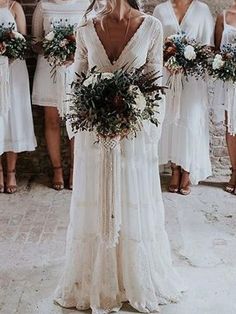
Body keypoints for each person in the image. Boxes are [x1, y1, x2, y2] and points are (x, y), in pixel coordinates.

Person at [54, 0, 185, 312]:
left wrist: (130, 120)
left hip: (133, 135)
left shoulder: (151, 27)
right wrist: (92, 116)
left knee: (131, 197)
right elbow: (76, 84)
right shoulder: (86, 26)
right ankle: (97, 277)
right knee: (96, 201)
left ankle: (133, 276)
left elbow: (155, 87)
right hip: (95, 136)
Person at [153, 0, 214, 195]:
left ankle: (187, 171)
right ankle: (174, 170)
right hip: (168, 76)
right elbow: (155, 45)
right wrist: (167, 61)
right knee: (171, 119)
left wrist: (190, 61)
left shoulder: (202, 10)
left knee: (190, 119)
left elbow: (208, 47)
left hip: (193, 78)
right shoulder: (160, 10)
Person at [32, 0, 89, 190]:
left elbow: (91, 39)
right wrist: (53, 47)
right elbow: (35, 42)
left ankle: (75, 170)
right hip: (49, 69)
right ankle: (57, 169)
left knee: (76, 122)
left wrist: (74, 52)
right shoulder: (43, 5)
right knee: (51, 120)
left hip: (75, 70)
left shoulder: (85, 4)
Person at [0, 0, 36, 194]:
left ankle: (11, 172)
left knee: (12, 117)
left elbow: (25, 42)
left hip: (14, 70)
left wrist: (12, 49)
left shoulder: (14, 7)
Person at [214, 4, 236, 195]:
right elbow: (217, 52)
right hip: (231, 81)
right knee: (232, 127)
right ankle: (234, 172)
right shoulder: (224, 15)